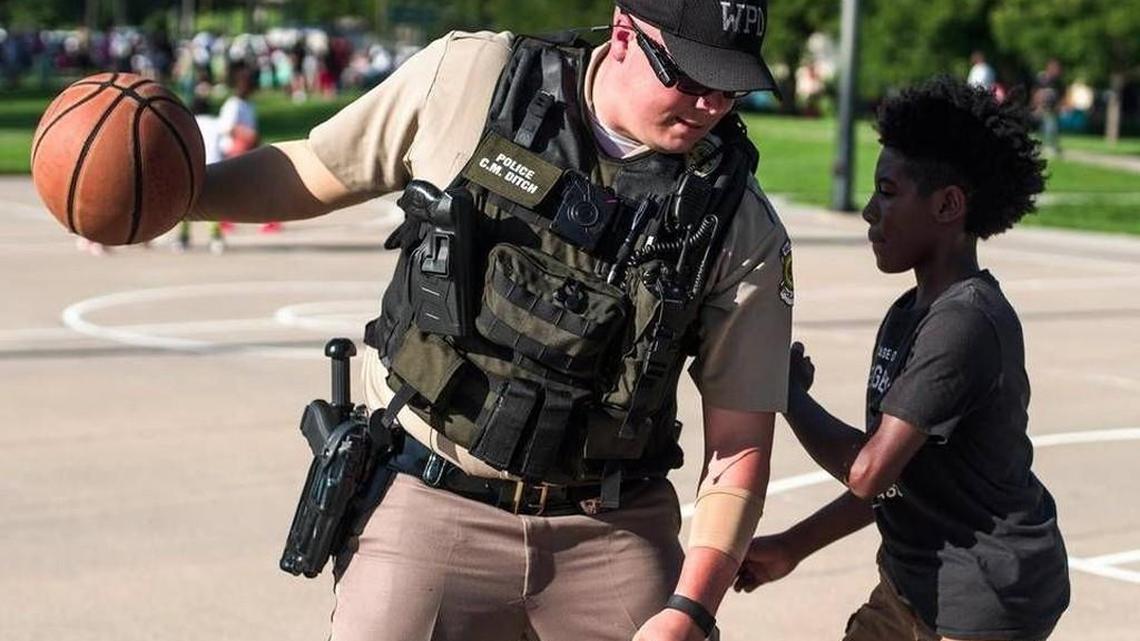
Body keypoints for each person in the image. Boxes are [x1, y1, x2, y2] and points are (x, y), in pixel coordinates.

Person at [189, 1, 792, 640]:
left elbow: (739, 445)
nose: (713, 107)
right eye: (692, 79)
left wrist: (690, 611)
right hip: (430, 497)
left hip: (610, 527)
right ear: (624, 34)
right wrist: (179, 194)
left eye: (731, 88)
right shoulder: (472, 79)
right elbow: (316, 169)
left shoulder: (736, 222)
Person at [734, 76, 1070, 641]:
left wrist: (788, 394)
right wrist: (791, 547)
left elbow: (868, 473)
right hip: (913, 582)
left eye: (888, 192)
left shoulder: (965, 321)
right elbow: (896, 483)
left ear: (947, 204)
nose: (869, 211)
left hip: (981, 599)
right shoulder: (908, 313)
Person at [174, 96, 227, 254]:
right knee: (212, 207)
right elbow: (224, 145)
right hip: (214, 166)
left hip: (191, 167)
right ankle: (215, 238)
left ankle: (182, 238)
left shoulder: (187, 124)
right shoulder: (216, 124)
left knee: (185, 207)